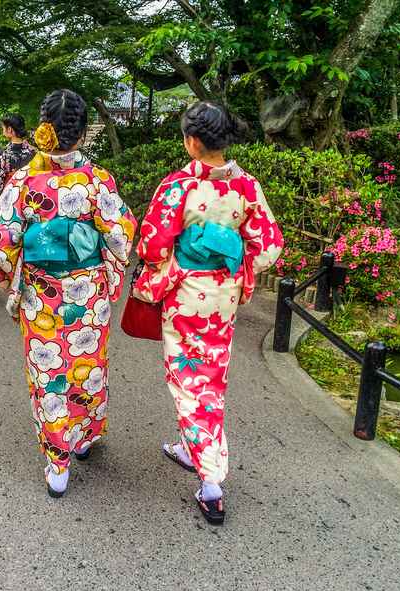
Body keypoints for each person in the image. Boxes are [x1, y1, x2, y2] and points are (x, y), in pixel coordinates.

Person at [134, 102, 283, 524]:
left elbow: (151, 246)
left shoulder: (179, 186)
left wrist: (182, 256)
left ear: (193, 141)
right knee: (210, 374)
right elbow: (269, 246)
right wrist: (236, 262)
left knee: (189, 379)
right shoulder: (247, 186)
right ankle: (190, 447)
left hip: (186, 293)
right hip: (224, 296)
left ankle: (211, 480)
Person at [0, 89, 137, 498]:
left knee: (49, 373)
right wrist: (111, 278)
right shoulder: (97, 180)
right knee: (87, 365)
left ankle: (58, 463)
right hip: (88, 293)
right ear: (83, 132)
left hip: (41, 293)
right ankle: (84, 436)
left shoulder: (24, 182)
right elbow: (121, 235)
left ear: (43, 127)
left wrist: (4, 283)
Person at [0, 114, 35, 193]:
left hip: (11, 194)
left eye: (3, 128)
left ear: (9, 129)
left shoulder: (3, 154)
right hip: (29, 193)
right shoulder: (33, 152)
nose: (2, 132)